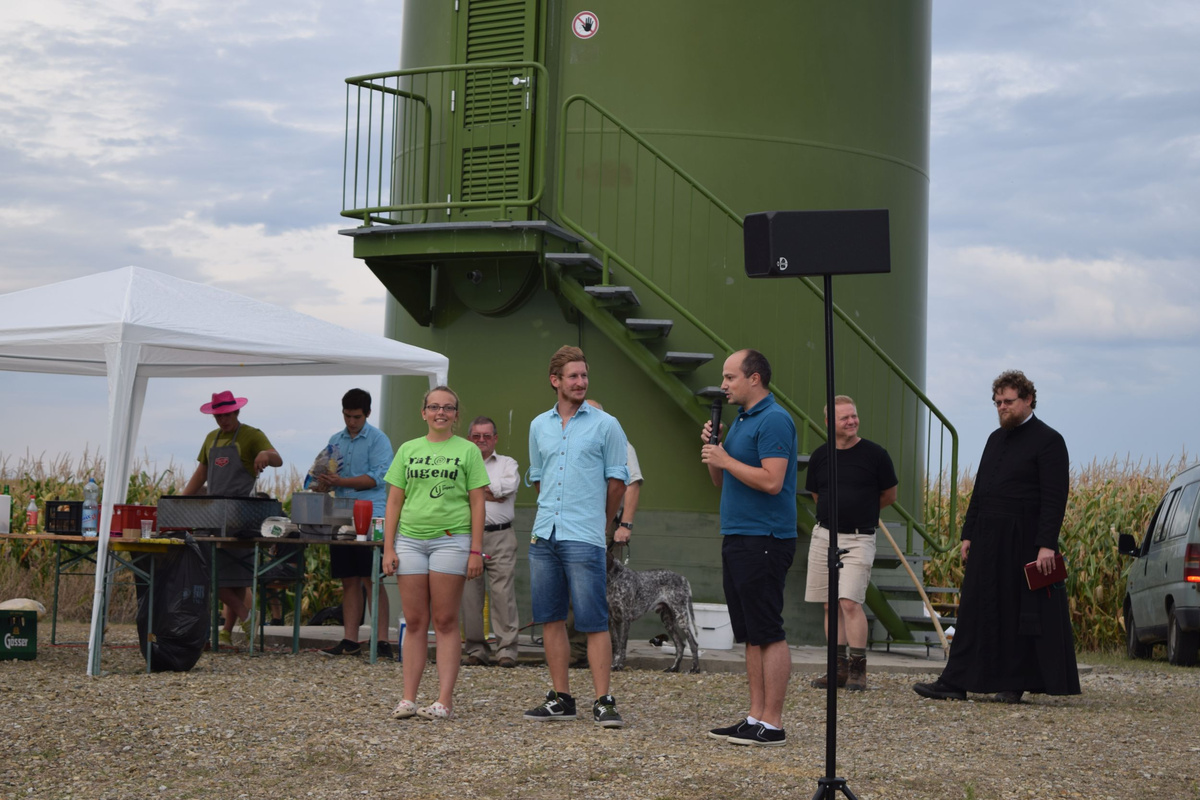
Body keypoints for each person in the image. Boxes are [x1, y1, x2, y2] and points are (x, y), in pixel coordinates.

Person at [913, 370, 1080, 704]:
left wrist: (1046, 545)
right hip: (987, 539)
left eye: (1008, 401)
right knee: (975, 610)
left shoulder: (1049, 440)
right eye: (998, 402)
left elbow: (1054, 498)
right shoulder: (994, 439)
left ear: (1028, 399)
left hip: (1024, 541)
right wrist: (968, 534)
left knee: (1018, 613)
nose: (1002, 407)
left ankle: (1013, 684)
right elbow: (981, 490)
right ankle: (955, 681)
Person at [523, 346, 629, 728]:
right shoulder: (539, 425)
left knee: (593, 620)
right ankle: (561, 698)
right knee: (550, 618)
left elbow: (618, 482)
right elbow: (539, 478)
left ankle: (604, 701)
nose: (581, 382)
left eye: (584, 375)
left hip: (585, 535)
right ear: (555, 380)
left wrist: (600, 523)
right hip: (544, 535)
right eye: (573, 376)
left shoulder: (606, 425)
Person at [700, 349, 797, 747]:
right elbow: (719, 481)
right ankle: (755, 717)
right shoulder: (741, 419)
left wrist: (725, 459)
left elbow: (773, 481)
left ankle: (773, 724)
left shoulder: (774, 419)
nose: (723, 385)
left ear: (754, 378)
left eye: (730, 377)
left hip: (765, 538)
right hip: (738, 534)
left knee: (767, 630)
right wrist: (715, 452)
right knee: (751, 634)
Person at [383, 386, 488, 721]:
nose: (440, 412)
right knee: (414, 621)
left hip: (451, 541)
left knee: (444, 621)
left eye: (448, 407)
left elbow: (478, 503)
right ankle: (408, 699)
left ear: (456, 415)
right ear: (423, 412)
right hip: (410, 541)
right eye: (434, 407)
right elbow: (394, 500)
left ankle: (444, 701)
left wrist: (476, 550)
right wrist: (388, 546)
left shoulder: (468, 451)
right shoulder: (408, 449)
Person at [804, 395, 898, 691]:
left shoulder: (875, 455)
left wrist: (860, 511)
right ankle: (838, 669)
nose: (852, 421)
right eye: (844, 417)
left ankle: (858, 669)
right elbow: (817, 495)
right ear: (829, 423)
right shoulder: (820, 456)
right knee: (829, 605)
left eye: (854, 415)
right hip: (824, 536)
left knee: (850, 602)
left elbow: (889, 495)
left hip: (859, 537)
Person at [182, 390, 282, 647]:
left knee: (234, 577)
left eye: (227, 415)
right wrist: (181, 500)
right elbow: (201, 473)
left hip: (241, 515)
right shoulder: (210, 438)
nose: (223, 420)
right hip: (212, 513)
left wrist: (265, 455)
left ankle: (232, 627)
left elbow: (277, 459)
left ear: (237, 411)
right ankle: (241, 619)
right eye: (218, 416)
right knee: (212, 573)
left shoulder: (251, 435)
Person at [316, 389, 394, 659]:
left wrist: (340, 482)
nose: (351, 422)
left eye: (357, 417)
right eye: (347, 416)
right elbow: (328, 472)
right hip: (340, 514)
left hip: (372, 514)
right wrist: (321, 482)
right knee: (348, 578)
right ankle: (350, 639)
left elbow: (378, 478)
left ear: (368, 414)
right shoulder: (335, 440)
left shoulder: (379, 439)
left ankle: (381, 640)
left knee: (373, 578)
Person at [568, 398, 642, 667]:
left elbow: (632, 484)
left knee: (604, 590)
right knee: (574, 589)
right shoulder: (570, 440)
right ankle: (577, 652)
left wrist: (625, 525)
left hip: (605, 524)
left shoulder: (619, 442)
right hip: (574, 522)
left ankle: (605, 653)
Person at [459, 416, 521, 668]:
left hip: (500, 536)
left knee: (502, 593)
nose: (481, 440)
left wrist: (472, 490)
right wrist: (488, 492)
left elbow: (507, 486)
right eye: (476, 436)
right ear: (469, 438)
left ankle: (507, 651)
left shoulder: (508, 463)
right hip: (467, 536)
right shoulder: (461, 462)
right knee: (470, 596)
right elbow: (457, 491)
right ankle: (476, 650)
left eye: (486, 436)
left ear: (495, 438)